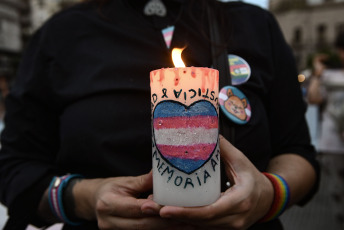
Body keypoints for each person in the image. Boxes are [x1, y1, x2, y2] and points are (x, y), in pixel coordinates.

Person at [0, 0, 319, 229]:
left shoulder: (254, 25)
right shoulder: (62, 34)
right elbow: (15, 168)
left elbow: (298, 152)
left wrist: (269, 194)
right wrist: (85, 197)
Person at [307, 31, 344, 228]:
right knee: (337, 189)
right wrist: (318, 72)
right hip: (333, 143)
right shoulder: (330, 76)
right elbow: (313, 98)